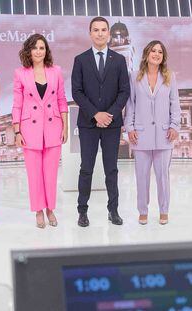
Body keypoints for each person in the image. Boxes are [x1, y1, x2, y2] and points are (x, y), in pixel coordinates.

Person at [71, 16, 130, 227]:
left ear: (108, 34)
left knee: (111, 169)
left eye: (103, 30)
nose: (100, 33)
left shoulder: (119, 60)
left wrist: (109, 114)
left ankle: (113, 211)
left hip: (112, 125)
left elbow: (124, 91)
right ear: (90, 33)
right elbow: (76, 92)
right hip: (88, 124)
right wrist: (96, 114)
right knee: (86, 168)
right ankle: (82, 212)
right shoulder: (80, 59)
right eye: (95, 30)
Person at [12, 33, 68, 229]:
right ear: (29, 51)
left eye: (42, 47)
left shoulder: (56, 71)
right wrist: (17, 130)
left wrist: (65, 126)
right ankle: (38, 210)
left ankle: (50, 208)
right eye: (35, 47)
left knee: (50, 173)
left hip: (53, 127)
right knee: (34, 174)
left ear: (46, 51)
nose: (38, 51)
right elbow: (17, 104)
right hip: (30, 130)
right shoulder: (21, 73)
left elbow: (62, 100)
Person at [124, 40, 181, 225]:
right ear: (147, 54)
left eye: (160, 52)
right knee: (141, 177)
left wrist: (175, 126)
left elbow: (175, 104)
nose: (156, 54)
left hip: (165, 136)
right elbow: (130, 104)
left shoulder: (170, 77)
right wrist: (130, 128)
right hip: (140, 136)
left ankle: (164, 210)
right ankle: (143, 210)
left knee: (163, 176)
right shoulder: (134, 77)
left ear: (163, 57)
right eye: (153, 51)